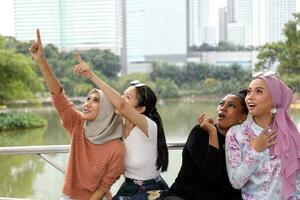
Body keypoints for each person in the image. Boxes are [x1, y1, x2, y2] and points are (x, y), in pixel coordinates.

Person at [30, 29, 125, 200]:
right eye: (88, 98)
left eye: (96, 100)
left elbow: (105, 186)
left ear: (107, 109)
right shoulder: (78, 125)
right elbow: (59, 97)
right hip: (69, 196)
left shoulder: (117, 148)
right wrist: (41, 61)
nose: (87, 103)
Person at [73, 54, 169, 200]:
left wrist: (91, 75)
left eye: (127, 97)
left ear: (141, 109)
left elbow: (121, 105)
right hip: (128, 188)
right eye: (122, 95)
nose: (122, 99)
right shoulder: (118, 125)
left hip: (151, 192)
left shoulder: (148, 125)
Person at [225, 74, 300, 200]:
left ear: (275, 99)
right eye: (249, 92)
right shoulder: (236, 134)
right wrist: (255, 151)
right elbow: (236, 182)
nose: (250, 97)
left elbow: (297, 182)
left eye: (258, 91)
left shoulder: (290, 134)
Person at [163, 90, 248, 200]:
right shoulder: (200, 132)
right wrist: (212, 133)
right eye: (221, 104)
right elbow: (211, 175)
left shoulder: (242, 140)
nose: (223, 108)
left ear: (242, 117)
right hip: (185, 195)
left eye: (231, 105)